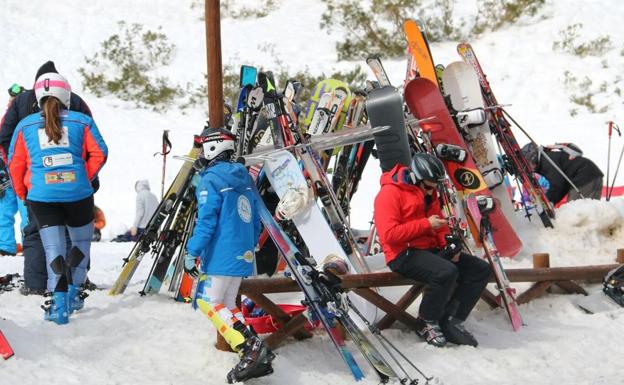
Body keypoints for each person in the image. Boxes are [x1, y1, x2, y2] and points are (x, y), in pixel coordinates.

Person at [8, 72, 108, 324]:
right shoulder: (82, 121)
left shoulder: (25, 125)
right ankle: (74, 294)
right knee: (79, 245)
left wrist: (24, 193)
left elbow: (15, 164)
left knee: (54, 249)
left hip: (41, 197)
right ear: (66, 95)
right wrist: (83, 176)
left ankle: (59, 304)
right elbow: (100, 152)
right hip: (79, 195)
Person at [183, 127, 273, 382]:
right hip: (241, 251)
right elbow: (256, 215)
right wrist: (250, 243)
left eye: (203, 147)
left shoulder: (210, 180)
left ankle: (250, 348)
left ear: (213, 147)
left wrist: (193, 252)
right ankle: (252, 349)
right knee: (229, 302)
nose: (201, 153)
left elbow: (206, 222)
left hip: (222, 252)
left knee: (207, 300)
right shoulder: (244, 177)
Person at [374, 154, 491, 347]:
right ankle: (426, 321)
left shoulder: (429, 194)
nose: (431, 191)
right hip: (403, 254)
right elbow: (389, 235)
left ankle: (451, 320)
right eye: (428, 186)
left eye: (435, 187)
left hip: (428, 249)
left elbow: (439, 223)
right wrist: (426, 224)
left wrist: (448, 243)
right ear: (415, 177)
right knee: (445, 271)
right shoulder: (389, 194)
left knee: (480, 269)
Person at [0, 61, 94, 295]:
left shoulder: (21, 102)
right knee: (74, 232)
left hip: (38, 185)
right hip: (74, 182)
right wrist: (87, 176)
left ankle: (36, 284)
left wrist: (21, 179)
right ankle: (76, 283)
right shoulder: (76, 101)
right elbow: (94, 144)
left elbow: (5, 140)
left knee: (35, 231)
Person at [521, 142, 604, 205]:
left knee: (576, 212)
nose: (529, 168)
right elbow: (562, 185)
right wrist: (550, 201)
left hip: (584, 177)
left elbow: (557, 185)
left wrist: (547, 201)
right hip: (591, 175)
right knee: (589, 212)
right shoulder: (546, 159)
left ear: (532, 157)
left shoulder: (546, 161)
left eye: (528, 163)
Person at [0, 84, 28, 256]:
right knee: (4, 210)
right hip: (7, 173)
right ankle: (5, 246)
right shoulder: (7, 119)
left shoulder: (28, 119)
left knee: (26, 211)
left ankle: (30, 245)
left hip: (22, 172)